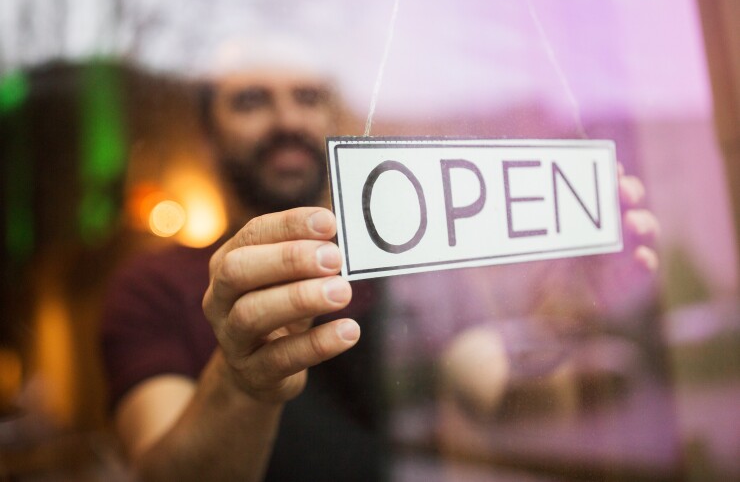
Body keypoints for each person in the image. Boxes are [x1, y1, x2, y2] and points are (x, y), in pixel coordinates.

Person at [101, 61, 659, 481]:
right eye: (250, 101)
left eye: (308, 96)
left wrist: (576, 305)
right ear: (208, 137)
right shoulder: (152, 289)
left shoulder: (412, 264)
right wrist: (245, 378)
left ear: (335, 118)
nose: (287, 118)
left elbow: (492, 392)